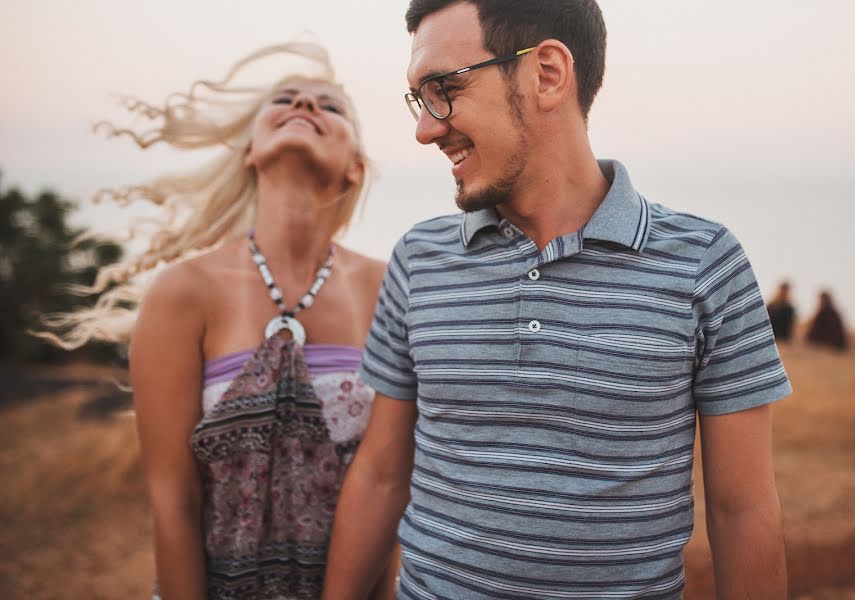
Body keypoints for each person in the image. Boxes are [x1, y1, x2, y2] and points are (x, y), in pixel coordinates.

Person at [322, 2, 791, 599]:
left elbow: (743, 509)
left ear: (546, 72)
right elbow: (382, 476)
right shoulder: (418, 260)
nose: (425, 128)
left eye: (444, 88)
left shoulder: (705, 264)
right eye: (419, 98)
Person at [44, 42, 395, 599]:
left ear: (354, 166)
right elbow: (174, 499)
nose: (305, 102)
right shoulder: (182, 292)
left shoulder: (388, 288)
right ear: (250, 152)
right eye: (284, 98)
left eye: (331, 108)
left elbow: (388, 486)